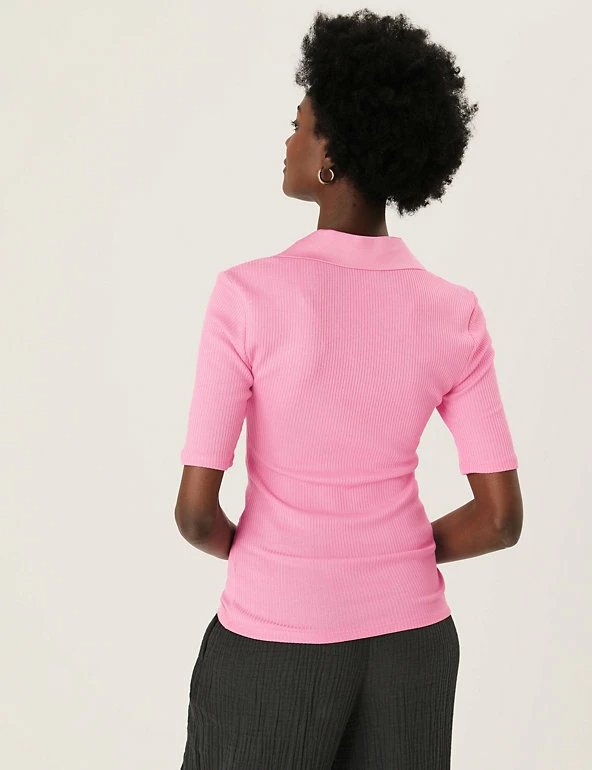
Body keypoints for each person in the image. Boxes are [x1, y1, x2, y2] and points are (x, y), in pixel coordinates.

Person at [175, 9, 523, 769]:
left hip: (275, 640)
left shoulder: (247, 296)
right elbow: (500, 520)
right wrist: (392, 557)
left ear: (332, 153)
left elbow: (196, 515)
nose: (288, 142)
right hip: (415, 645)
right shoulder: (453, 311)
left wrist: (278, 562)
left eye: (299, 126)